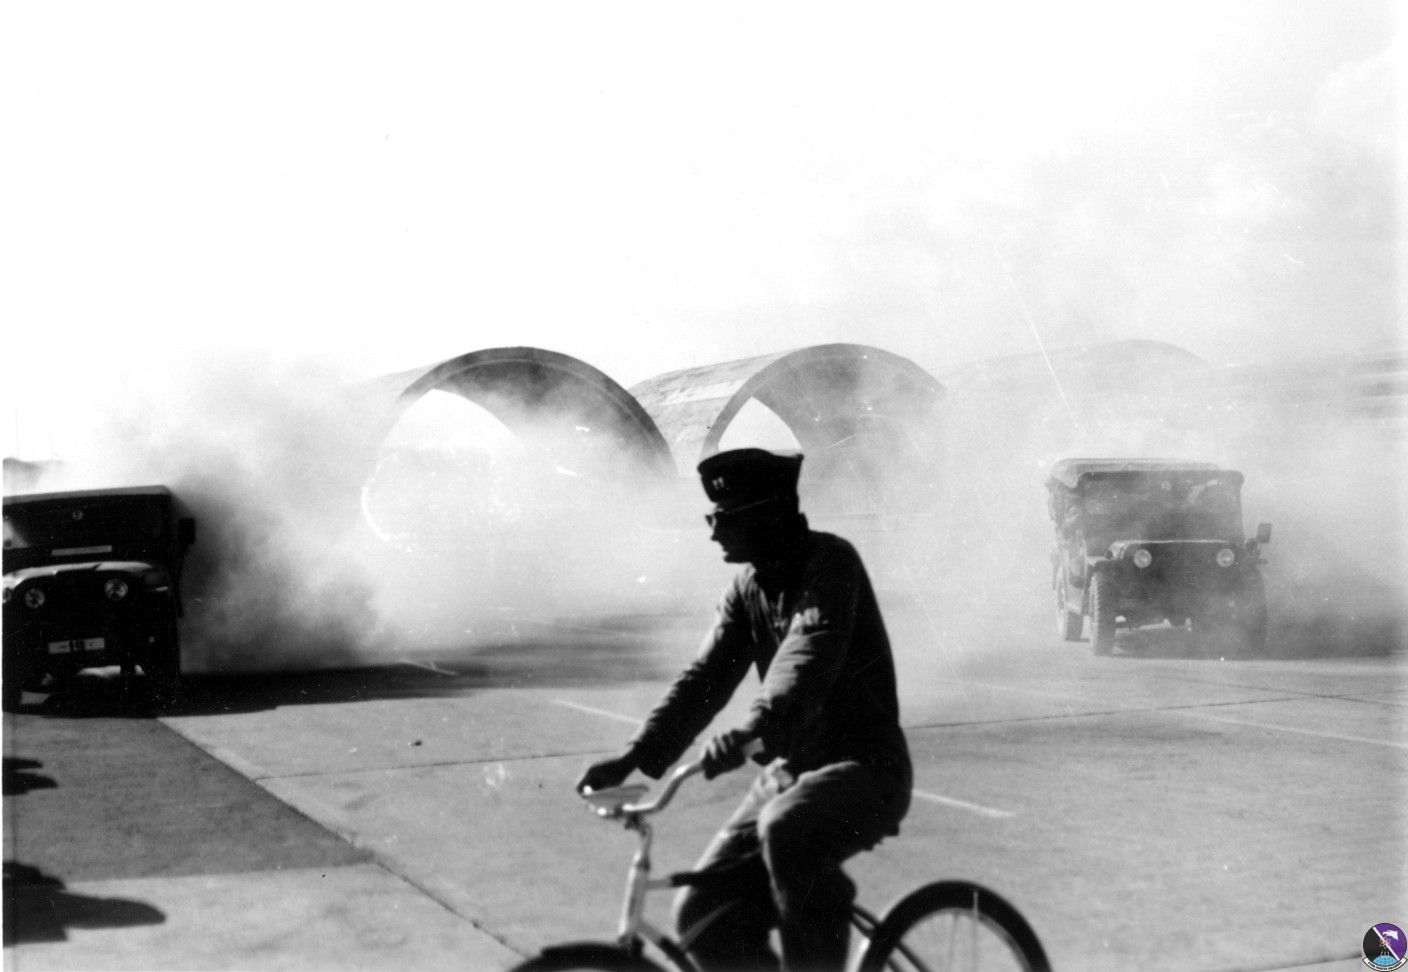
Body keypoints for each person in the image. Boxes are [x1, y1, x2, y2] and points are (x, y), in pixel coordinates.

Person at [576, 447, 913, 972]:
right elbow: (703, 680)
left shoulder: (830, 563)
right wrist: (635, 756)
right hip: (790, 772)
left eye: (723, 518)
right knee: (702, 915)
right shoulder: (746, 589)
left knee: (787, 828)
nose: (714, 533)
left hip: (866, 769)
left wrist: (753, 727)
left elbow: (807, 654)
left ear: (769, 513)